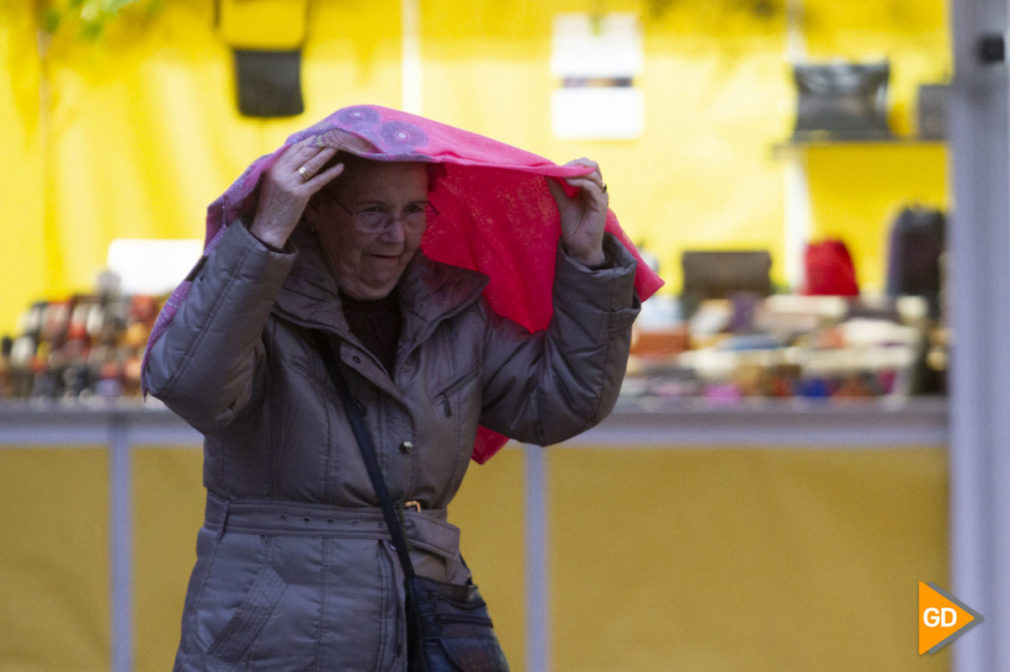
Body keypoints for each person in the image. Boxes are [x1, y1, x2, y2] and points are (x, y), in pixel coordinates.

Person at [143, 105, 658, 671]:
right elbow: (192, 388)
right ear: (314, 209)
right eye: (373, 212)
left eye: (414, 211)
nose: (397, 235)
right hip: (273, 639)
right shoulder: (259, 303)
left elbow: (561, 404)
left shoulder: (457, 309)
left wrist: (586, 261)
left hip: (416, 622)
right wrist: (263, 237)